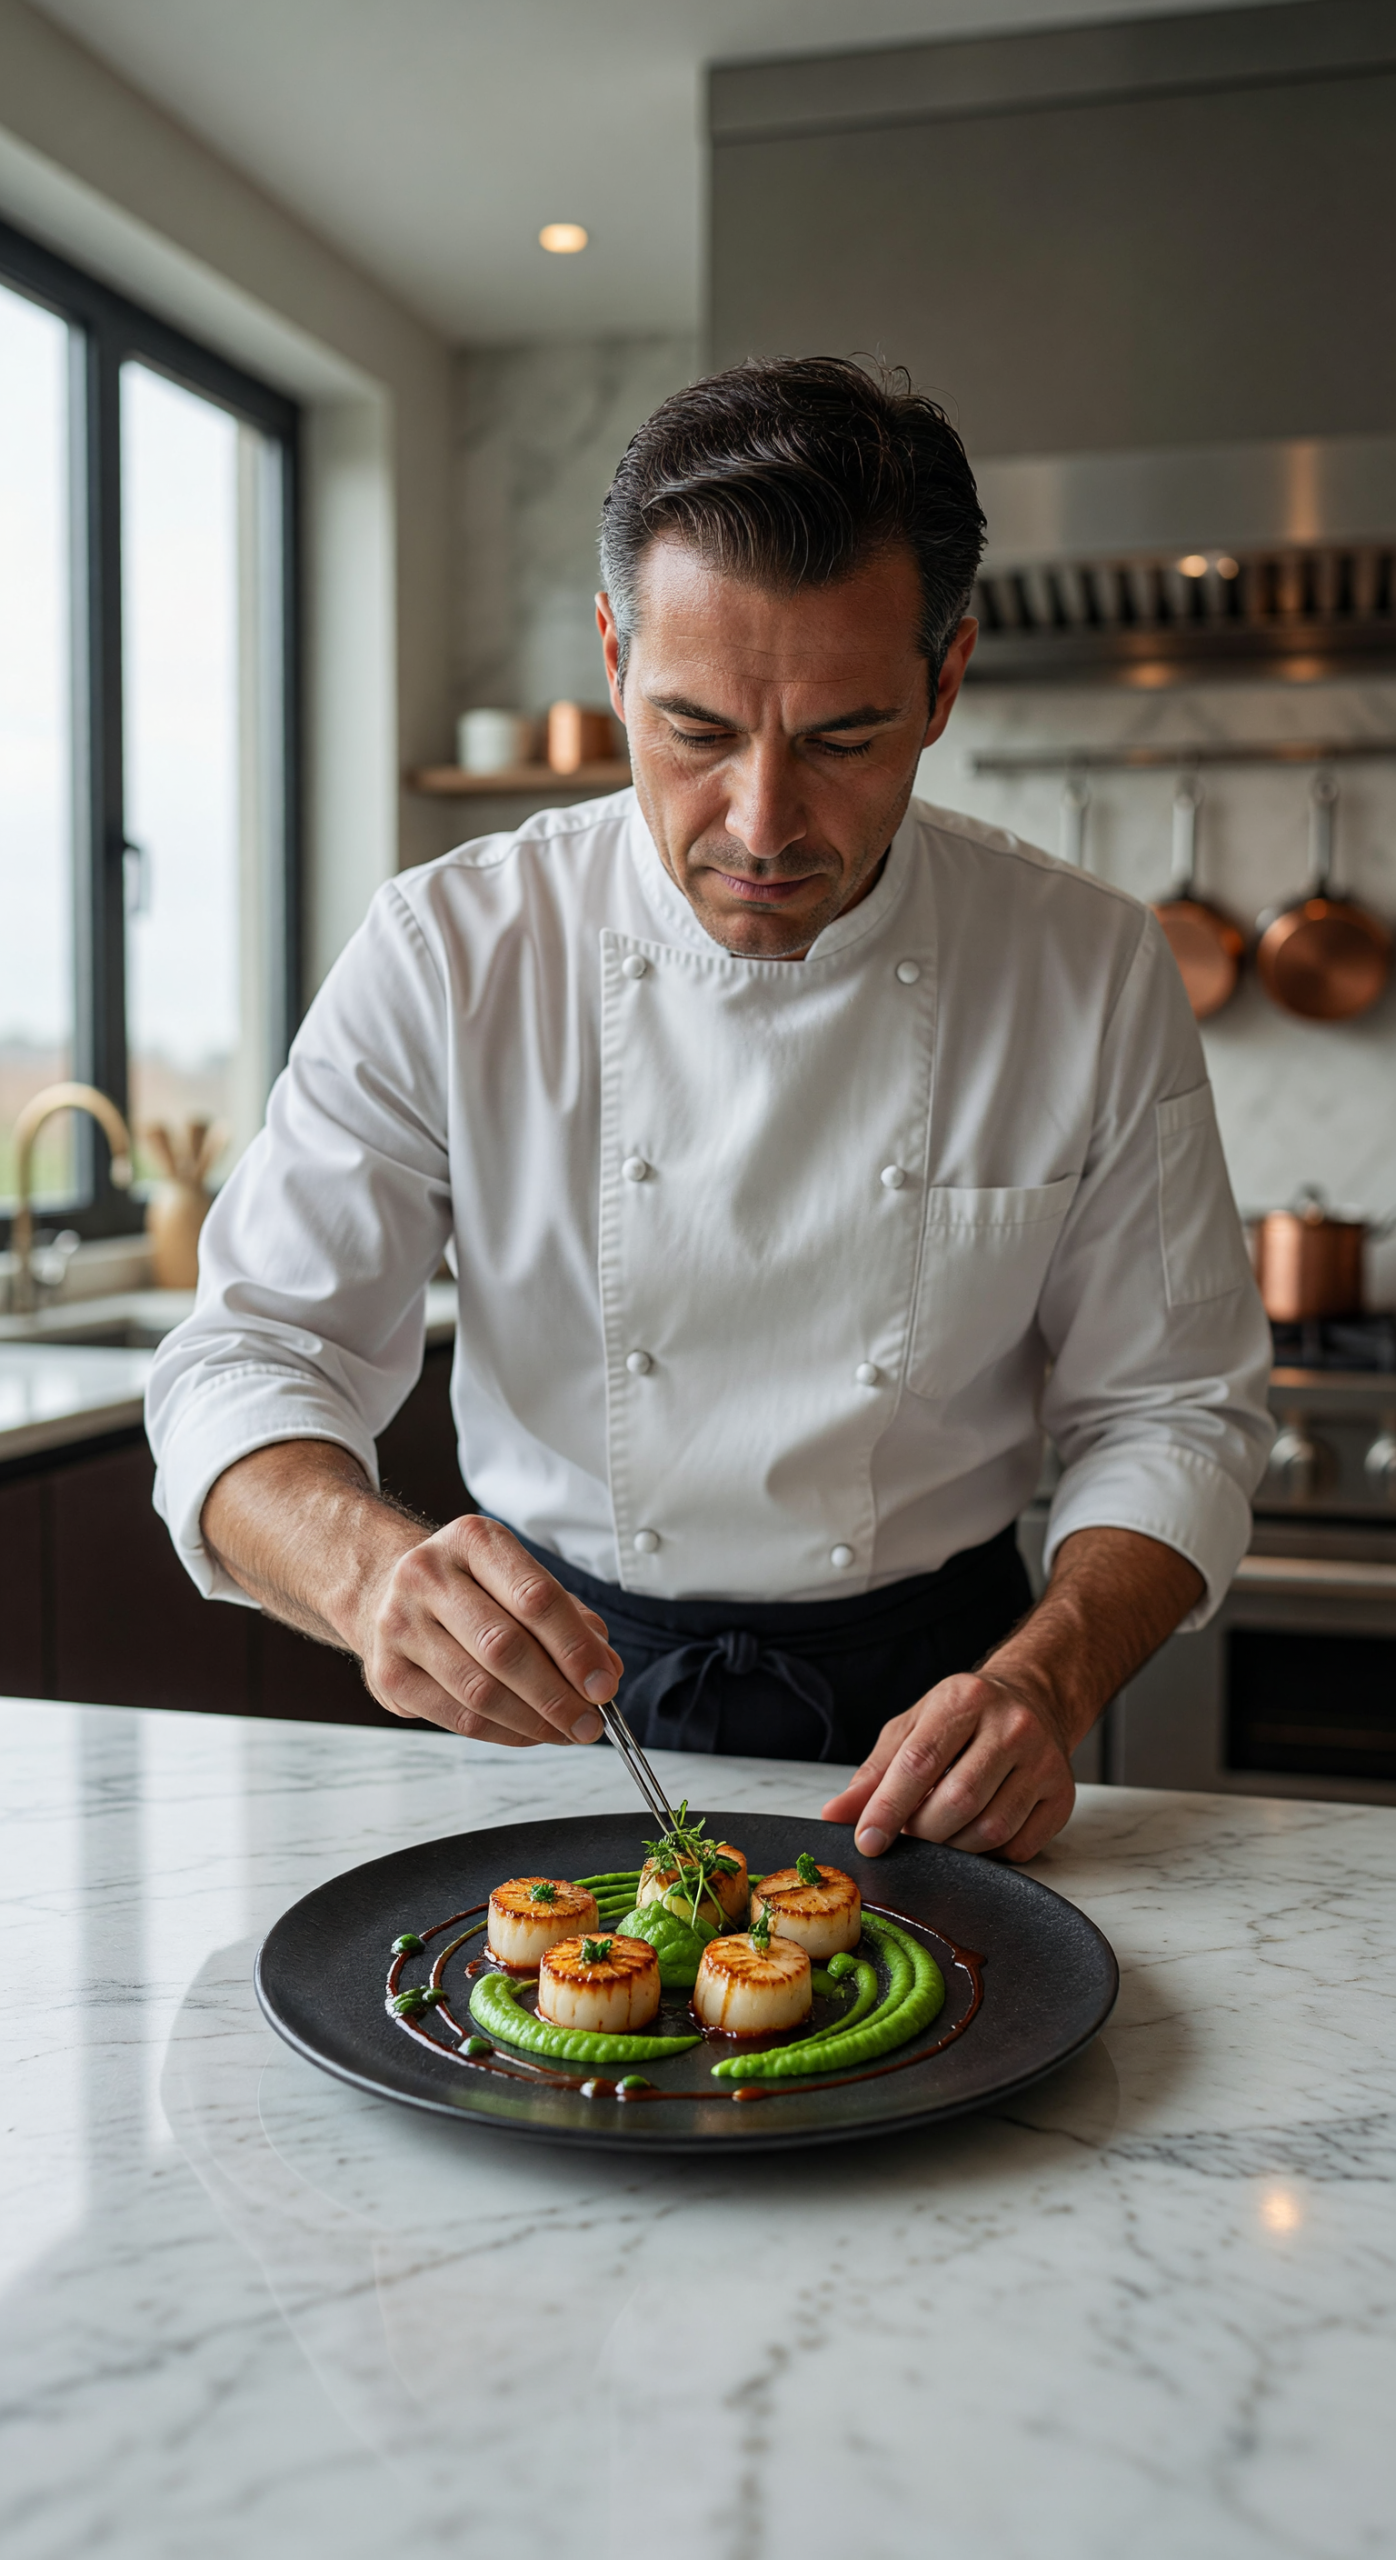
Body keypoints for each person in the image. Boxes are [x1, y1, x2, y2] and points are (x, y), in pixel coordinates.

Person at [146, 357, 1273, 1865]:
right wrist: (367, 1578)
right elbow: (246, 1357)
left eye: (842, 738)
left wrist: (1046, 1682)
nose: (760, 823)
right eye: (694, 730)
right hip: (546, 1702)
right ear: (616, 660)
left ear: (945, 682)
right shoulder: (453, 947)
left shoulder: (1086, 965)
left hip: (940, 1720)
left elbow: (1176, 1410)